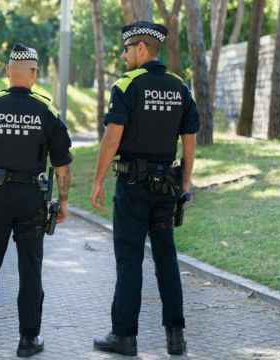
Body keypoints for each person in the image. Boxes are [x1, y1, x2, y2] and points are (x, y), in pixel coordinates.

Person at [0, 44, 73, 358]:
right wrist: (62, 202)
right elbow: (62, 165)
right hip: (32, 201)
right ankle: (28, 340)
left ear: (9, 71)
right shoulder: (48, 111)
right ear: (34, 73)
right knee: (30, 270)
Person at [90, 21, 199, 356]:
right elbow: (190, 141)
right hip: (166, 188)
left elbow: (112, 137)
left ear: (140, 49)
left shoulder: (127, 85)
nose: (124, 56)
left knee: (129, 259)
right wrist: (184, 182)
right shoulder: (180, 87)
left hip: (133, 188)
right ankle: (175, 337)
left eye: (126, 49)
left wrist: (97, 179)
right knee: (166, 258)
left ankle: (124, 337)